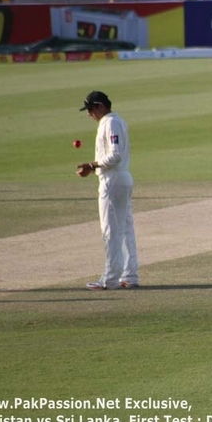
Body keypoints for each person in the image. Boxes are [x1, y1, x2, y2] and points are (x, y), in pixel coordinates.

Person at [76, 91, 139, 290]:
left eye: (91, 109)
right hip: (120, 179)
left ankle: (110, 279)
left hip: (113, 180)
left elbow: (115, 155)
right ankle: (129, 275)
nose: (89, 114)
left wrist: (92, 165)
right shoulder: (114, 122)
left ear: (100, 106)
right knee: (125, 229)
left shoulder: (111, 123)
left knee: (111, 231)